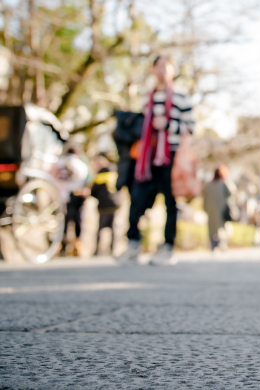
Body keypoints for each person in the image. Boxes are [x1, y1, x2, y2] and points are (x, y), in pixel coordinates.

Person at [116, 55, 194, 266]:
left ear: (173, 70)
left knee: (170, 202)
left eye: (166, 66)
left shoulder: (181, 96)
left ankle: (168, 246)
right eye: (158, 66)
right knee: (137, 198)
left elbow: (191, 127)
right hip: (148, 157)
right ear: (152, 69)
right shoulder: (147, 97)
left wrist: (167, 125)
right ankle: (133, 243)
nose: (162, 70)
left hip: (172, 155)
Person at [58, 148, 90, 256]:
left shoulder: (59, 162)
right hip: (75, 193)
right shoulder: (78, 163)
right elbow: (84, 175)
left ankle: (61, 246)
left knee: (63, 221)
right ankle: (76, 246)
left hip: (60, 195)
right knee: (77, 221)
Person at [91, 153, 119, 256]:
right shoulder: (114, 171)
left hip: (104, 205)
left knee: (100, 228)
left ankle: (97, 250)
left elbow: (94, 190)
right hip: (114, 204)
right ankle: (112, 250)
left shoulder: (101, 173)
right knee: (113, 228)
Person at [203, 165, 232, 251]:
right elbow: (232, 193)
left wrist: (205, 208)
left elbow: (204, 198)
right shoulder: (224, 183)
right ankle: (221, 244)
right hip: (221, 209)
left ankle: (213, 244)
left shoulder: (208, 185)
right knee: (222, 227)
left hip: (210, 210)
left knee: (212, 228)